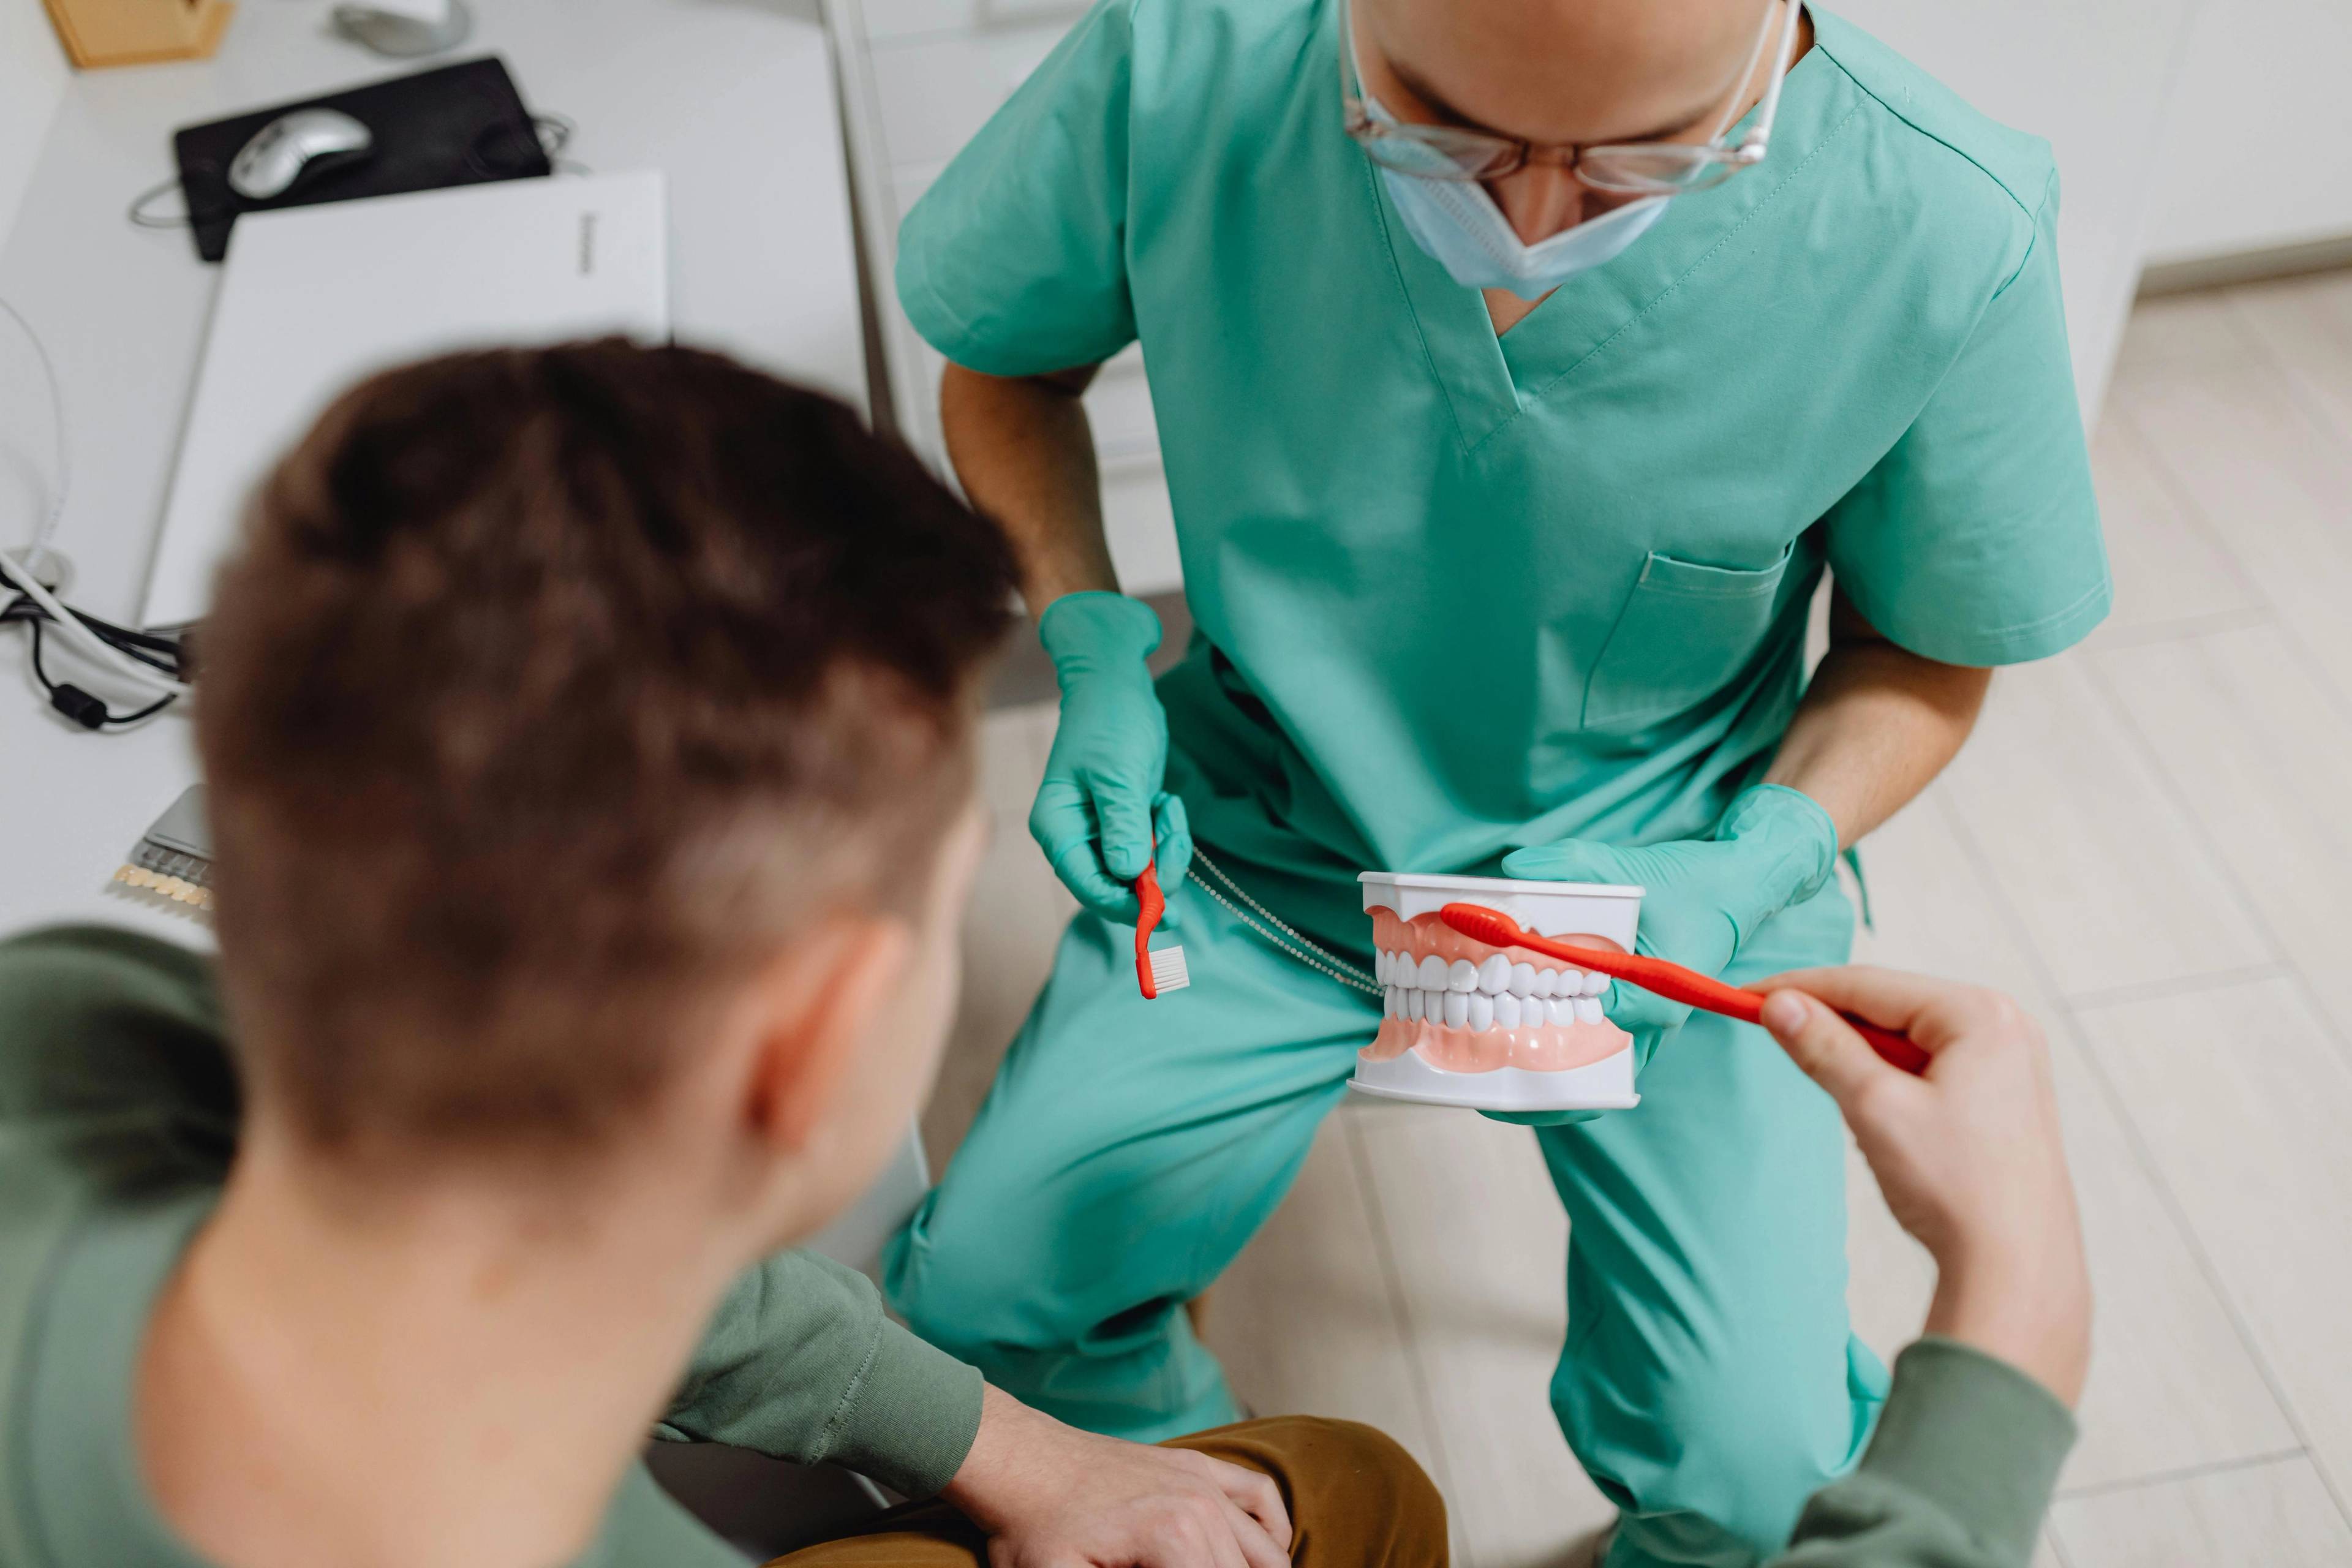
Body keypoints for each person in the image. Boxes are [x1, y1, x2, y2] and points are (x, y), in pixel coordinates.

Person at [881, 0, 2110, 1560]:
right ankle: (1183, 1479)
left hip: (1673, 886)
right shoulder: (1185, 59)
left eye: (1636, 167)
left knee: (1760, 1477)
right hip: (1268, 831)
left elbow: (1927, 653)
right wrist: (1090, 642)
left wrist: (1762, 858)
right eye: (1438, 136)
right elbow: (1005, 365)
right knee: (984, 1304)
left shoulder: (1938, 221)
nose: (1526, 224)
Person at [0, 342, 1444, 1568]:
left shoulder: (67, 1019)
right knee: (1355, 1493)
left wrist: (1005, 1444)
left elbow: (557, 1211)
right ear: (810, 1044)